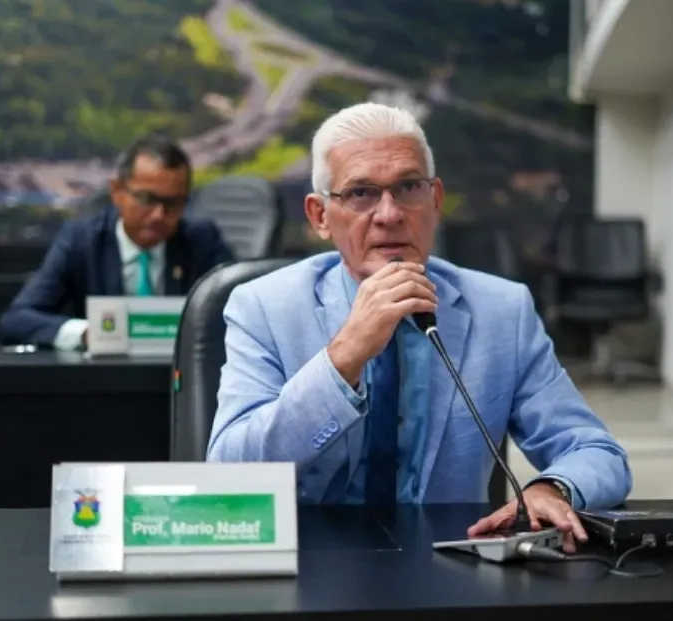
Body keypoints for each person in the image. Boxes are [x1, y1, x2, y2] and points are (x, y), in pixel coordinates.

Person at [207, 102, 631, 550]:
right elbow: (230, 474)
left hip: (447, 560)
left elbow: (596, 452)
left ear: (435, 201)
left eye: (409, 187)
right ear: (319, 216)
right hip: (305, 560)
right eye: (361, 193)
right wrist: (345, 355)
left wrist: (552, 489)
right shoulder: (264, 306)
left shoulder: (502, 311)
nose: (389, 213)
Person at [0, 136, 235, 350]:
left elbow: (241, 315)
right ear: (117, 191)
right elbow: (17, 320)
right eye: (146, 199)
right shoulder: (83, 240)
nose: (158, 215)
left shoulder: (201, 239)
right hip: (106, 378)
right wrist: (88, 333)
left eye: (173, 203)